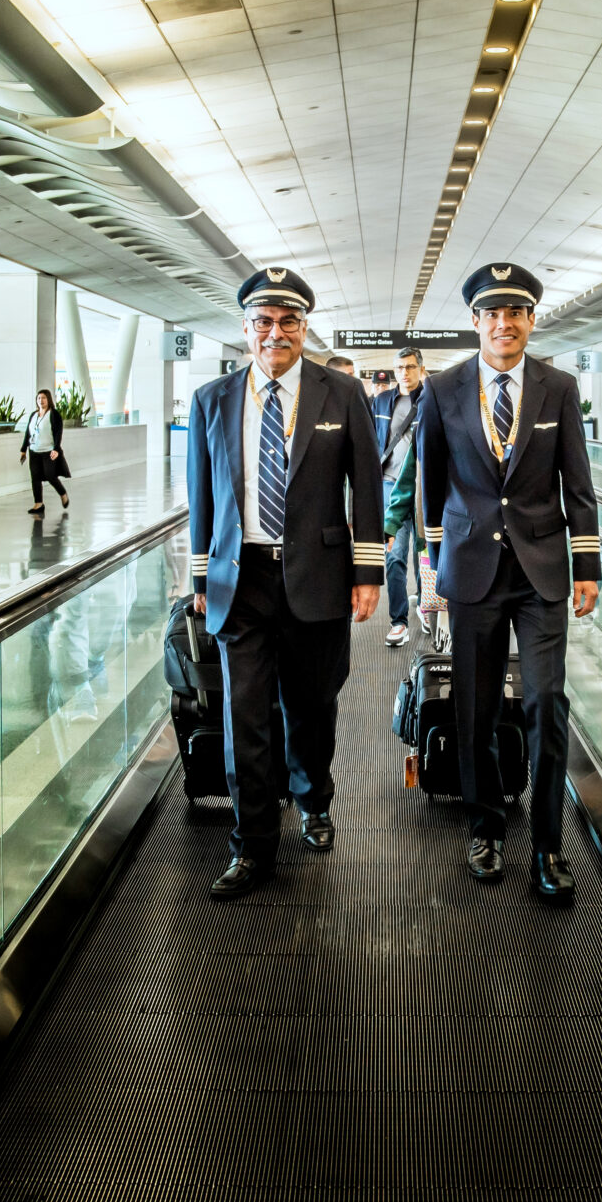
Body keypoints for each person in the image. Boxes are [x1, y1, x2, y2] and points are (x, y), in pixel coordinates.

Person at [189, 267, 383, 899]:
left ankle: (314, 797)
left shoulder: (340, 393)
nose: (276, 333)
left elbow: (368, 488)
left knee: (312, 705)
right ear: (245, 328)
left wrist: (368, 572)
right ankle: (251, 846)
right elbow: (200, 494)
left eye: (289, 322)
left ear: (304, 328)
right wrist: (199, 574)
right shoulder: (213, 398)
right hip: (239, 579)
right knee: (244, 714)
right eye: (264, 322)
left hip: (318, 578)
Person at [416, 263, 600, 901]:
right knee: (476, 709)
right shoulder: (441, 390)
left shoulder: (558, 387)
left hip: (542, 569)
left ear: (530, 320)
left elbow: (577, 483)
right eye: (492, 313)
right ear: (475, 322)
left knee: (546, 705)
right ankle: (486, 826)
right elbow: (432, 484)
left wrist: (588, 567)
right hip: (470, 569)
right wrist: (432, 567)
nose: (505, 323)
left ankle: (549, 846)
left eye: (516, 312)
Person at [370, 347, 428, 647]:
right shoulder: (380, 401)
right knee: (394, 556)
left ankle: (426, 606)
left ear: (420, 369)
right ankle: (398, 620)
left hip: (422, 490)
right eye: (399, 368)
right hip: (389, 487)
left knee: (423, 553)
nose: (404, 373)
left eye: (409, 367)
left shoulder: (432, 400)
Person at [21, 388, 72, 516]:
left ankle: (62, 493)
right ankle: (38, 504)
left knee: (50, 475)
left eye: (43, 398)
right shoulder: (34, 415)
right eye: (39, 398)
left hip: (48, 451)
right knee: (35, 477)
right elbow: (28, 433)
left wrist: (56, 449)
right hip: (34, 450)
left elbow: (58, 433)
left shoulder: (54, 414)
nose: (41, 400)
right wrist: (23, 450)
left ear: (48, 399)